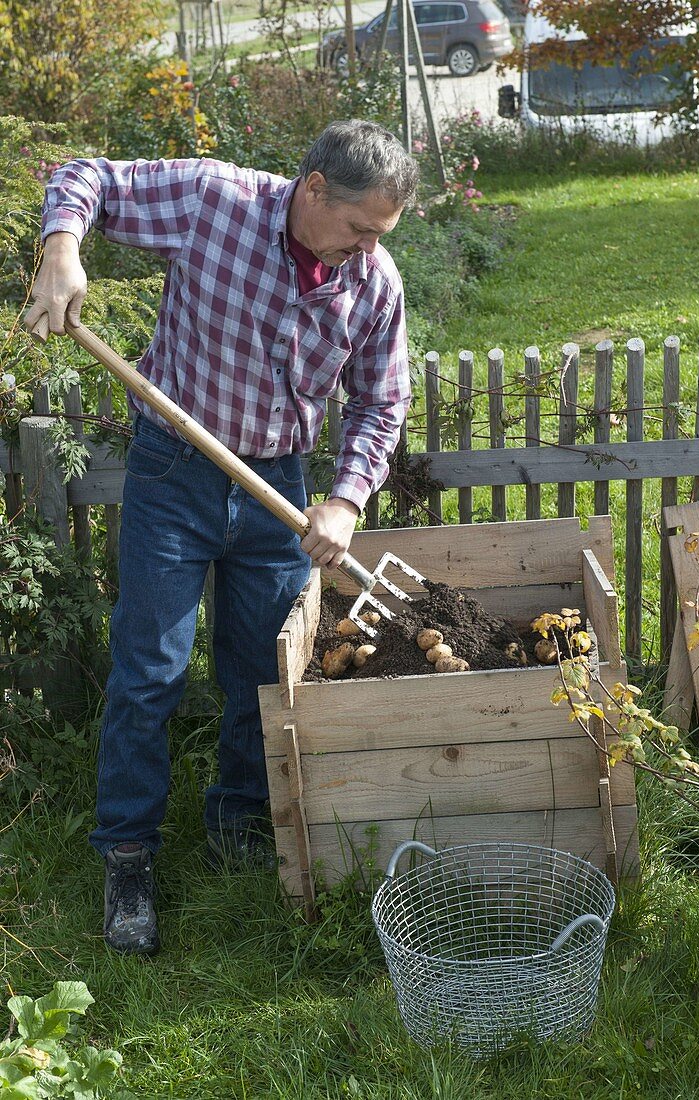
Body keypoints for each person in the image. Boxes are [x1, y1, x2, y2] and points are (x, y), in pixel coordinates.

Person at [24, 119, 418, 955]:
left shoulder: (373, 283)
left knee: (261, 674)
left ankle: (239, 824)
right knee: (150, 671)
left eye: (380, 235)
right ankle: (127, 854)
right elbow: (84, 174)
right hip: (176, 473)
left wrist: (345, 501)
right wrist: (62, 251)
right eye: (357, 228)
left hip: (279, 486)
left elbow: (382, 403)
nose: (365, 248)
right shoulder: (215, 202)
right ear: (313, 188)